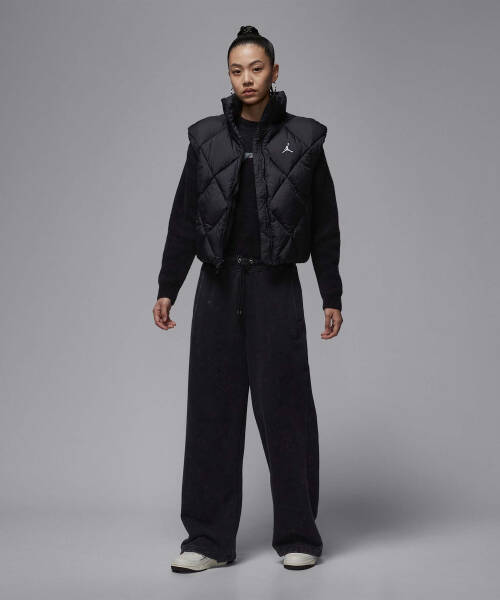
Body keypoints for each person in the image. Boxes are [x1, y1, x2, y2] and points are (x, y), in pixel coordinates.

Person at [152, 25, 343, 572]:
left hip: (275, 287)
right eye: (237, 70)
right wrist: (168, 286)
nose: (247, 79)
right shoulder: (207, 138)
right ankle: (207, 541)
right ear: (229, 76)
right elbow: (184, 217)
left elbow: (324, 223)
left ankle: (299, 536)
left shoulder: (304, 139)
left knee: (287, 412)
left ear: (274, 72)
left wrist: (330, 292)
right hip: (217, 286)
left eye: (256, 68)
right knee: (211, 413)